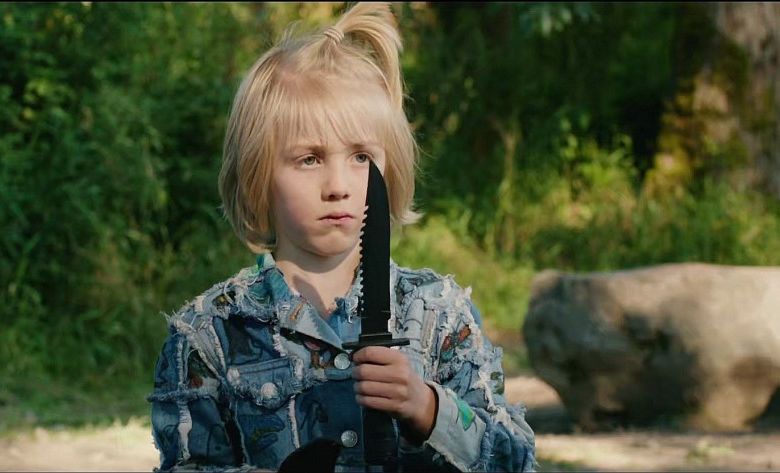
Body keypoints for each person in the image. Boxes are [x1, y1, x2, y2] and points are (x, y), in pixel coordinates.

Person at [147, 2, 536, 471]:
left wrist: (428, 408)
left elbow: (515, 460)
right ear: (256, 175)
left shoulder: (438, 315)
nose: (338, 186)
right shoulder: (208, 333)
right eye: (309, 159)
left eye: (361, 157)